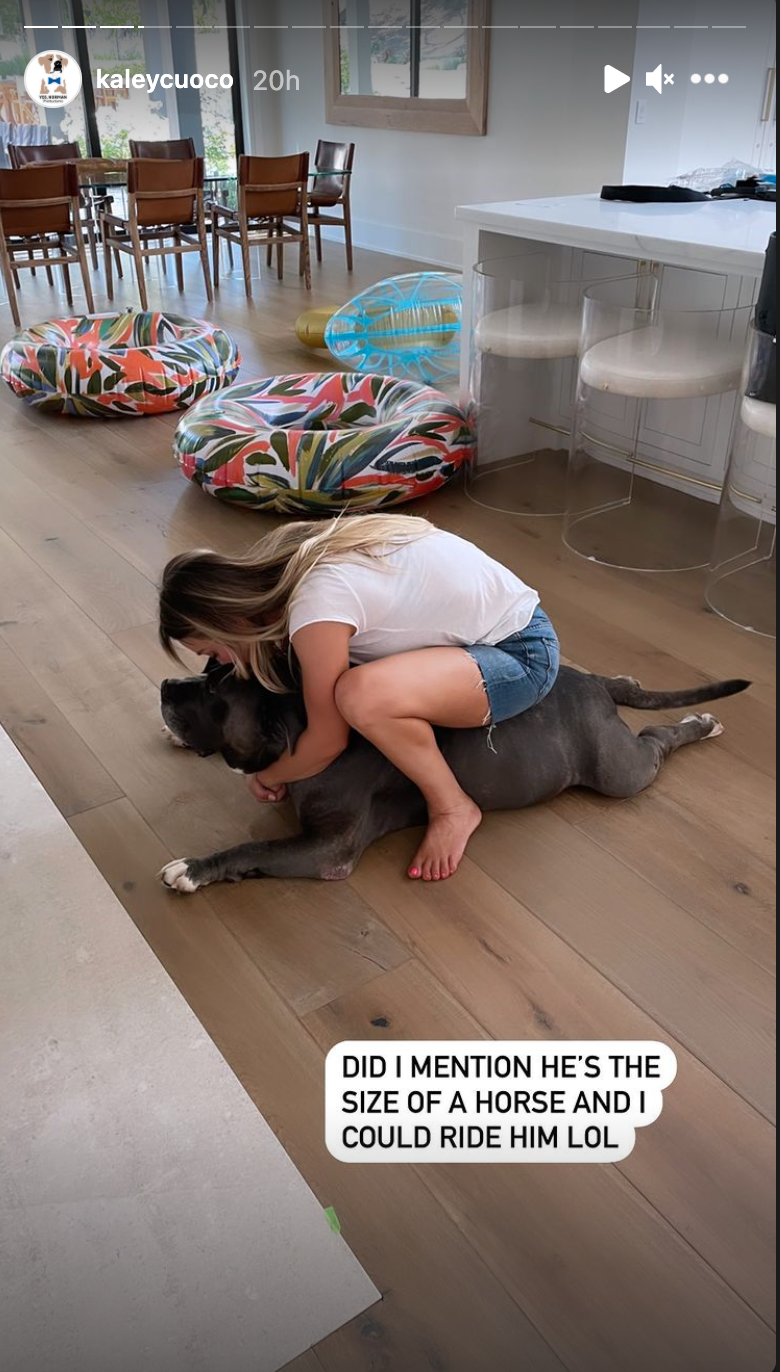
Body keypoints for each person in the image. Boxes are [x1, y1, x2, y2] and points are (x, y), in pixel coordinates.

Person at [158, 514, 559, 882]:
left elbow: (329, 740)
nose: (222, 664)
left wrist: (269, 776)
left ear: (229, 620)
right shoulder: (290, 556)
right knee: (328, 680)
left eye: (213, 653)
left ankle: (452, 807)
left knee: (359, 697)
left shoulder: (316, 608)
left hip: (519, 656)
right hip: (490, 631)